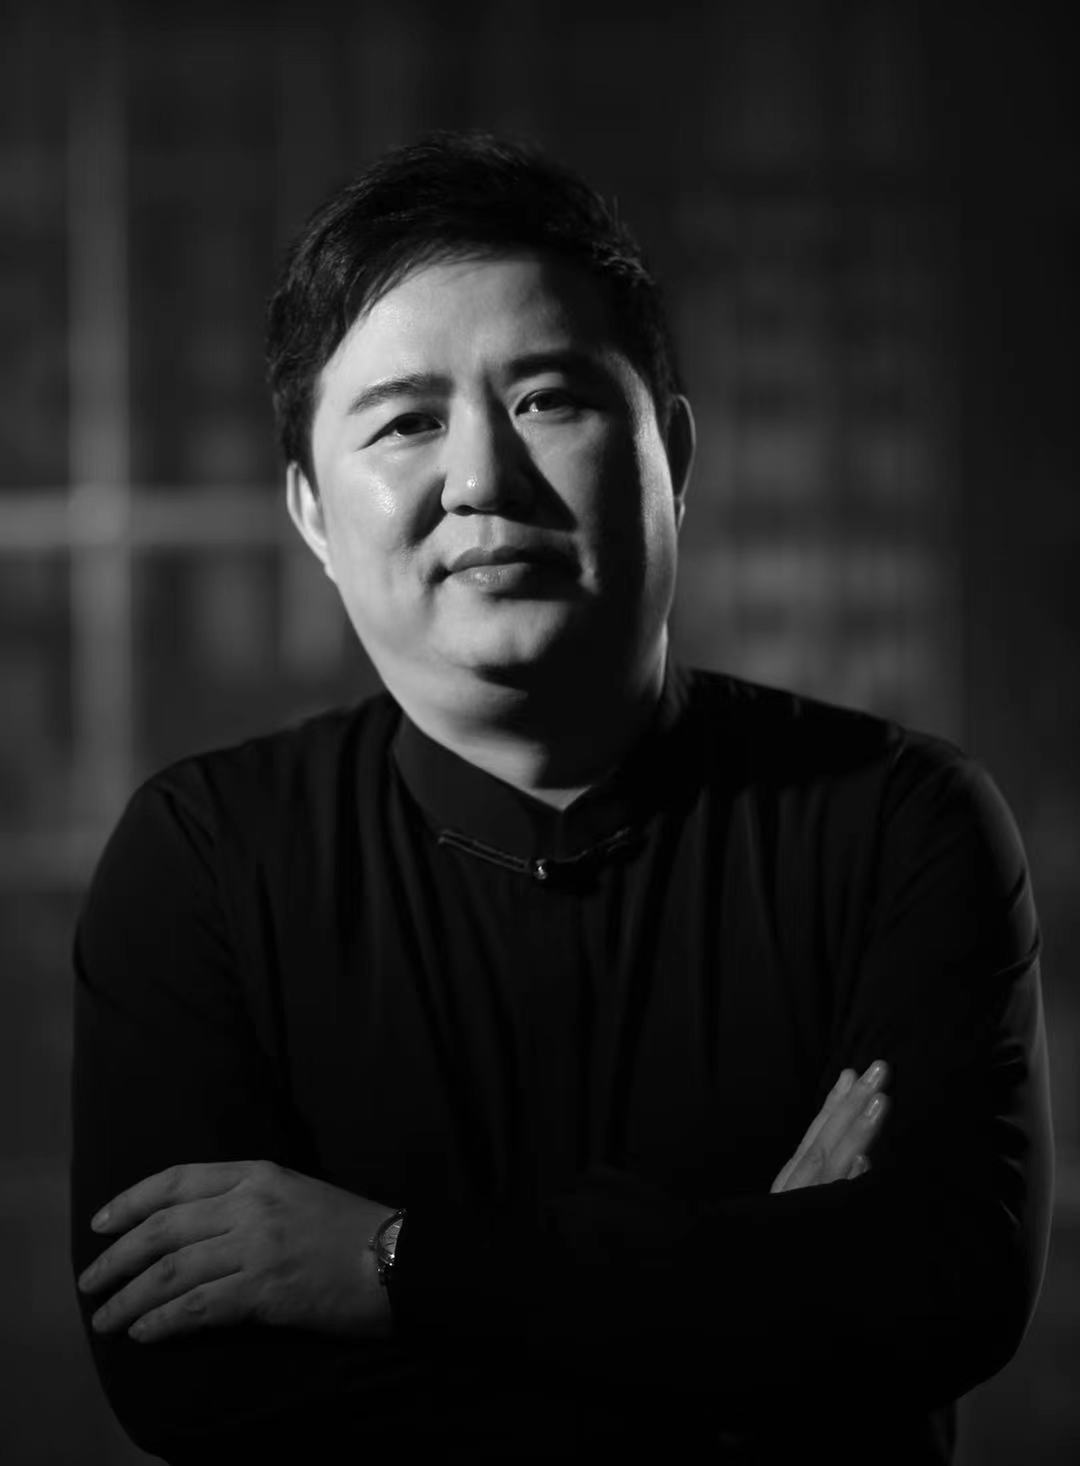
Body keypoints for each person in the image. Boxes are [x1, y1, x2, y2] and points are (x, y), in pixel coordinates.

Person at [70, 131, 1053, 1464]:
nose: (483, 479)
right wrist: (748, 1304)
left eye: (546, 399)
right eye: (407, 421)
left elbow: (946, 1291)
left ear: (675, 454)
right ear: (310, 512)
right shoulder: (200, 862)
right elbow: (189, 1381)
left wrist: (388, 1263)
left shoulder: (899, 822)